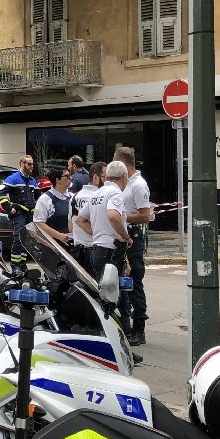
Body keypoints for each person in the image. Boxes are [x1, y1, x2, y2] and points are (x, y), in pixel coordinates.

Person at [114, 146, 152, 346]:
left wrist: (121, 217)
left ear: (122, 163)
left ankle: (139, 328)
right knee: (121, 282)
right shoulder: (123, 183)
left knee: (135, 280)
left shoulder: (138, 185)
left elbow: (145, 215)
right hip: (121, 236)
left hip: (133, 237)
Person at [75, 160, 131, 283]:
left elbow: (80, 220)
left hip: (97, 250)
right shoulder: (115, 193)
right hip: (110, 251)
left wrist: (98, 231)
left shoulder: (97, 193)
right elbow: (113, 215)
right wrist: (126, 237)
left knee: (104, 294)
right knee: (115, 296)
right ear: (123, 177)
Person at [0, 155, 38, 274]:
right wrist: (9, 209)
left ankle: (22, 265)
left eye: (32, 164)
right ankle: (15, 266)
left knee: (27, 240)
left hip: (30, 214)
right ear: (22, 163)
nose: (31, 167)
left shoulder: (32, 180)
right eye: (29, 164)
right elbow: (1, 192)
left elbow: (37, 197)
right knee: (18, 239)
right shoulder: (13, 179)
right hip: (19, 213)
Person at [69, 161, 105, 273]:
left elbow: (70, 226)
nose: (108, 181)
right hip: (96, 251)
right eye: (106, 177)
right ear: (95, 178)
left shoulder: (74, 197)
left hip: (78, 252)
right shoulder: (99, 197)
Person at [32, 167, 71, 244]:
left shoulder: (73, 197)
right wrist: (59, 236)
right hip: (56, 245)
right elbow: (38, 223)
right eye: (67, 176)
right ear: (57, 180)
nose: (71, 178)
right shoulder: (45, 199)